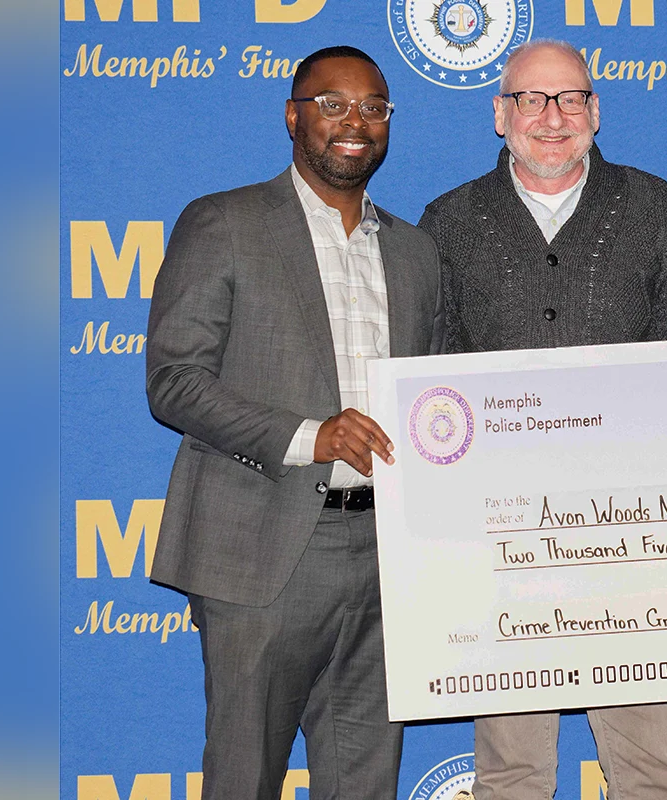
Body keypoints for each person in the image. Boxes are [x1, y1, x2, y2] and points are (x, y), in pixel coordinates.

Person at [417, 40, 667, 800]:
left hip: (635, 542)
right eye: (531, 99)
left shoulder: (652, 207)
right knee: (512, 771)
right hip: (501, 544)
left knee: (651, 769)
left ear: (595, 111)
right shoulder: (448, 223)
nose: (552, 118)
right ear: (499, 115)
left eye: (570, 99)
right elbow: (429, 384)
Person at [144, 45, 442, 800]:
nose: (355, 122)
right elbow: (173, 382)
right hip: (261, 550)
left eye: (375, 107)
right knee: (244, 779)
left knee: (366, 782)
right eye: (333, 103)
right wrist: (314, 436)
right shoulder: (223, 222)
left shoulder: (416, 253)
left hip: (386, 554)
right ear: (292, 116)